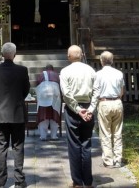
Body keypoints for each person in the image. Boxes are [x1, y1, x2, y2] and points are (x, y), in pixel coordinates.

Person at [0, 42, 30, 188]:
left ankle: (0, 181)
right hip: (17, 113)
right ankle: (19, 180)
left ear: (2, 55)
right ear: (15, 54)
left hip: (0, 113)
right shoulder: (22, 70)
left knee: (1, 148)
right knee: (18, 147)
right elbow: (26, 90)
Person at [60, 45, 97, 188]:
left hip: (73, 109)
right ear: (81, 55)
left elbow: (66, 93)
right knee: (86, 143)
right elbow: (96, 91)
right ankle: (88, 181)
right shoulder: (91, 70)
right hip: (88, 107)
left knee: (74, 145)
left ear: (68, 57)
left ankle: (77, 181)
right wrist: (91, 109)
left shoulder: (65, 71)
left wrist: (77, 109)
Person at [91, 51, 125, 168]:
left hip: (104, 102)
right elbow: (122, 91)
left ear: (101, 61)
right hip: (117, 102)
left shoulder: (98, 74)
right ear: (112, 60)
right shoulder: (119, 73)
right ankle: (118, 159)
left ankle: (108, 160)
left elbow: (95, 91)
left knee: (105, 133)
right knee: (117, 132)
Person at [35, 64, 61, 141]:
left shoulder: (41, 74)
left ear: (45, 69)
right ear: (52, 69)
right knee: (54, 114)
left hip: (43, 97)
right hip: (55, 97)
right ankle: (54, 136)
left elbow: (37, 84)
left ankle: (43, 136)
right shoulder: (56, 75)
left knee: (43, 116)